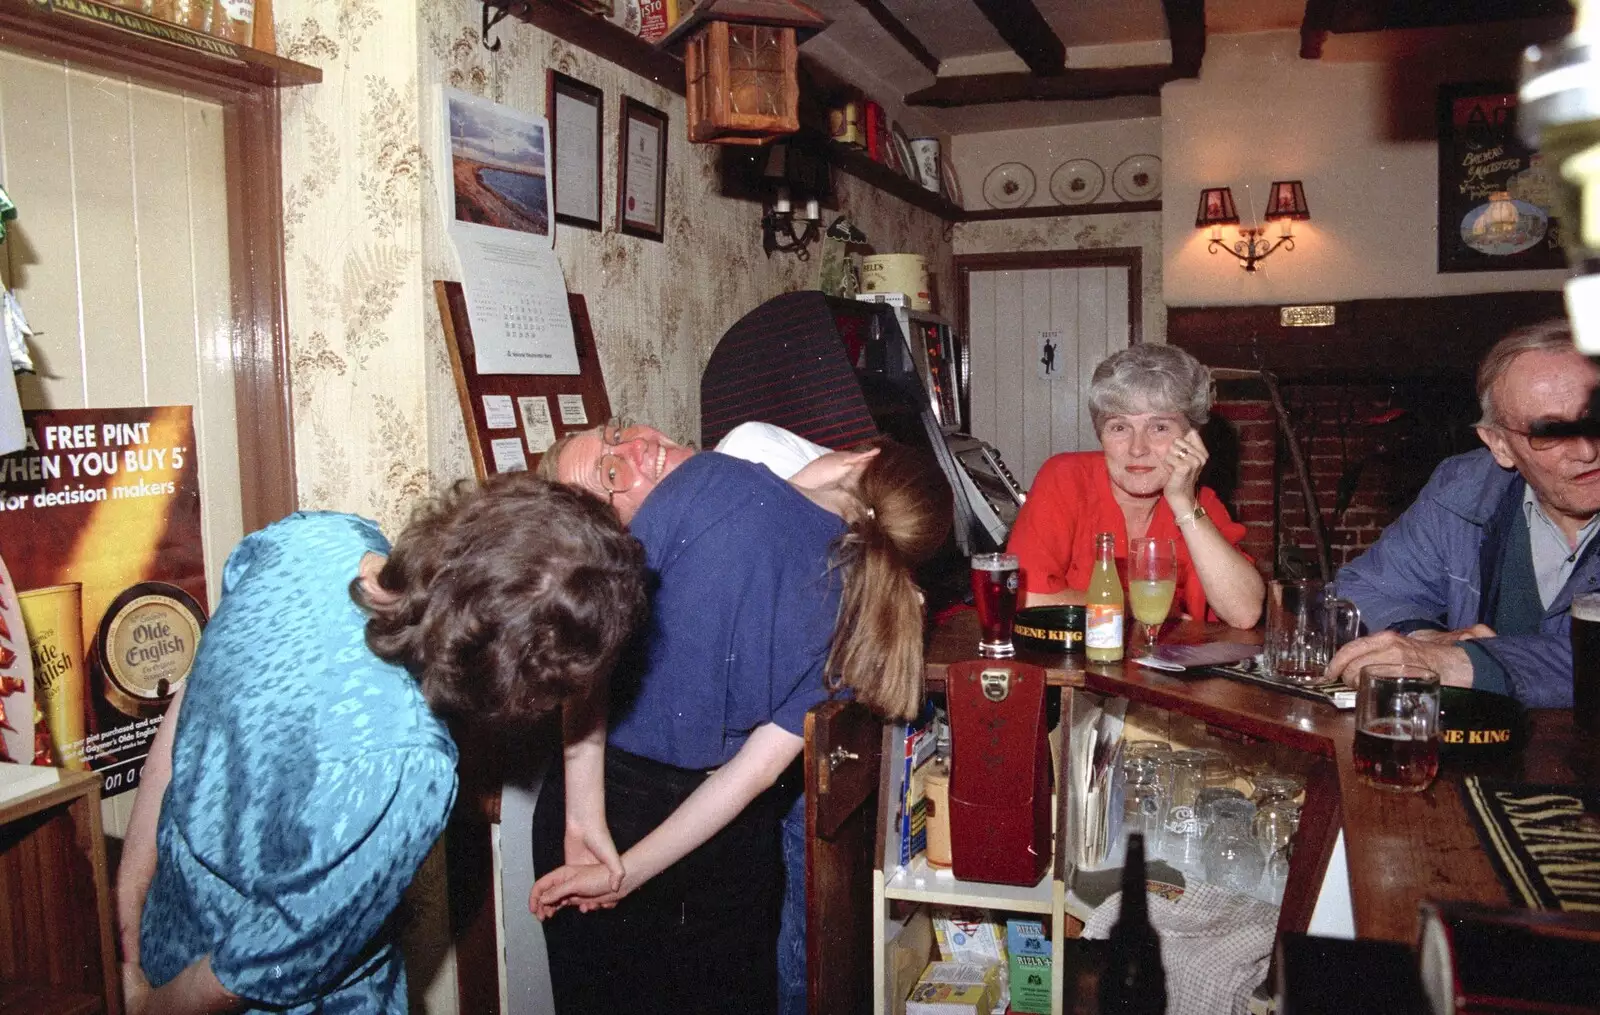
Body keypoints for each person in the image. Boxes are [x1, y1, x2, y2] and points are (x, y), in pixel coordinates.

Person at [115, 474, 646, 1015]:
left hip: (166, 933)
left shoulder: (320, 541)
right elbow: (249, 970)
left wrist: (130, 886)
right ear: (519, 684)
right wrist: (143, 1009)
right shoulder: (406, 765)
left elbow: (192, 698)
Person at [530, 420, 951, 1015]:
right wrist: (626, 874)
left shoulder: (708, 480)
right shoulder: (871, 621)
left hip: (603, 793)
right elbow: (751, 775)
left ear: (859, 459)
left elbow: (586, 656)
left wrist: (583, 822)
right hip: (721, 840)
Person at [1329, 321, 1600, 707]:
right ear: (1500, 445)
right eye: (1550, 432)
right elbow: (1364, 586)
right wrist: (1422, 638)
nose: (1586, 450)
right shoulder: (1465, 489)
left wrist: (1465, 663)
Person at [1006, 344, 1265, 628]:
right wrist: (1140, 608)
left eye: (1159, 428)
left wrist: (1184, 505)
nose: (1137, 448)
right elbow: (1024, 597)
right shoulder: (1065, 478)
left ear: (1191, 438)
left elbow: (1244, 613)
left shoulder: (1199, 501)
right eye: (1119, 427)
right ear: (1100, 434)